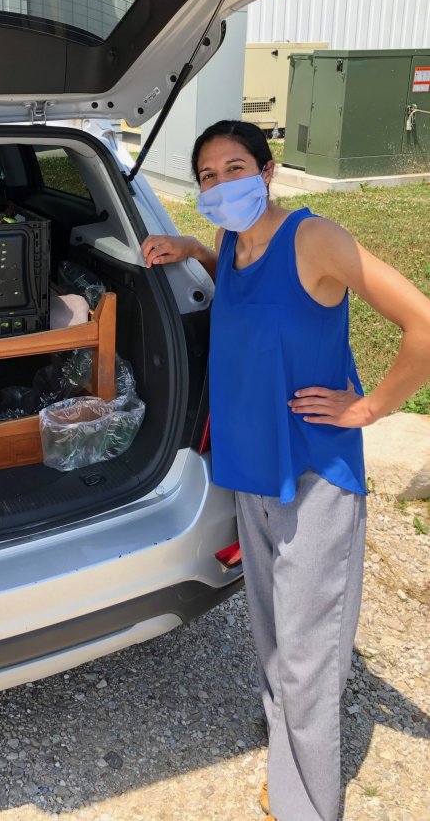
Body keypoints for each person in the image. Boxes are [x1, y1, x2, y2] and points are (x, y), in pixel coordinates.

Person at [141, 120, 430, 821]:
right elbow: (246, 290)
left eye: (233, 167)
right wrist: (191, 248)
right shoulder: (237, 244)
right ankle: (288, 748)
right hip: (250, 465)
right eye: (206, 176)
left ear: (266, 173)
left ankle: (307, 804)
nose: (218, 184)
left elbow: (421, 322)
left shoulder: (315, 237)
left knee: (308, 650)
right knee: (272, 632)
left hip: (312, 473)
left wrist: (368, 407)